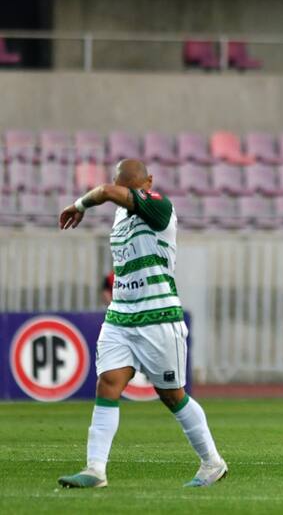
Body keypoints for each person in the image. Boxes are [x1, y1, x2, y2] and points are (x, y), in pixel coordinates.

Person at [57, 159, 226, 488]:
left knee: (172, 395)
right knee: (107, 384)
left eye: (134, 187)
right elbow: (111, 195)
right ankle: (95, 470)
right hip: (120, 315)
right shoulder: (120, 217)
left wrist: (80, 205)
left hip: (158, 315)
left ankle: (212, 462)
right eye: (127, 188)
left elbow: (105, 192)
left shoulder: (161, 207)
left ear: (149, 182)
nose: (133, 193)